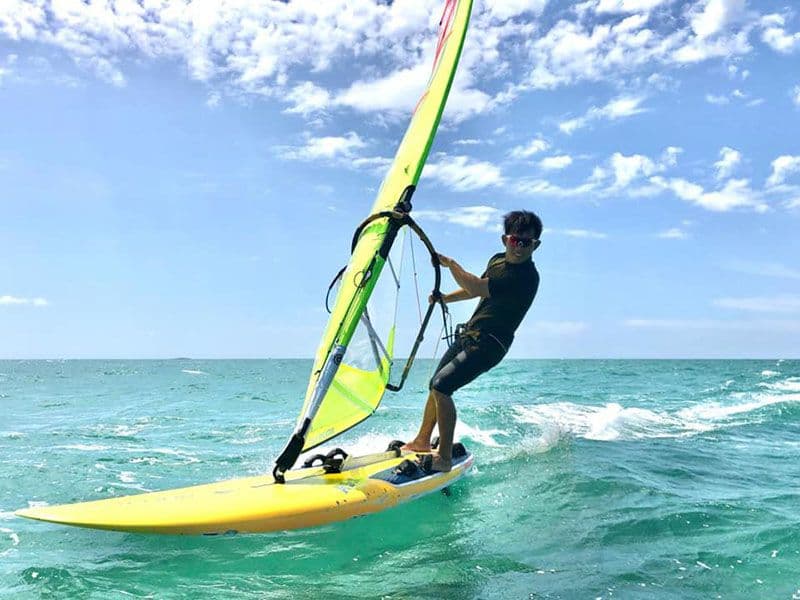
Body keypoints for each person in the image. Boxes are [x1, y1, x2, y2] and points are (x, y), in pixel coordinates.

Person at [402, 210, 542, 472]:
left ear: (536, 245)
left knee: (442, 387)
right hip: (470, 335)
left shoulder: (524, 277)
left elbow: (477, 286)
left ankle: (443, 458)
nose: (520, 248)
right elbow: (475, 289)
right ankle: (421, 440)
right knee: (435, 385)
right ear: (505, 240)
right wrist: (445, 298)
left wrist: (451, 264)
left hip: (490, 345)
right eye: (515, 241)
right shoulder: (498, 261)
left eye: (527, 243)